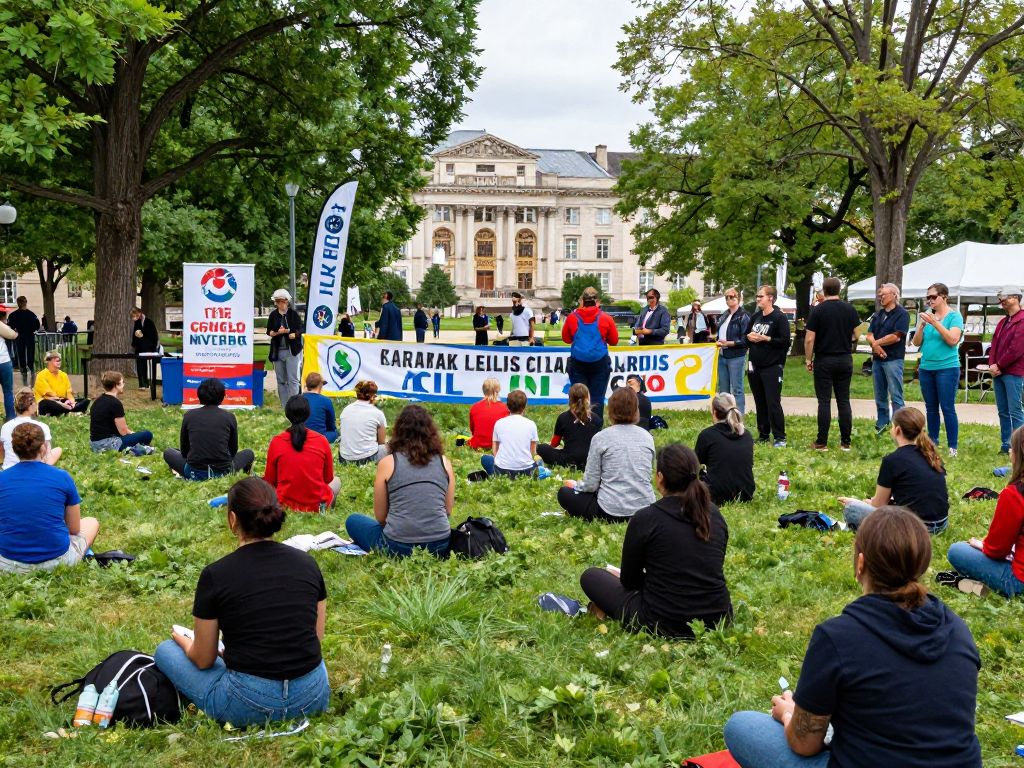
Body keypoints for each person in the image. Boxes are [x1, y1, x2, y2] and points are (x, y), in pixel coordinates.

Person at [724, 506, 982, 768]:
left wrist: (788, 714)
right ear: (922, 566)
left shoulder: (837, 637)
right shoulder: (959, 630)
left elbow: (804, 744)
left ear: (861, 564)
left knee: (741, 726)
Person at [154, 477, 330, 727]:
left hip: (248, 702)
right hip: (313, 696)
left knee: (165, 651)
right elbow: (315, 639)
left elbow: (203, 659)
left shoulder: (216, 574)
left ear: (232, 519)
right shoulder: (308, 564)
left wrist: (183, 641)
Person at [580, 444, 730, 638]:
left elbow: (630, 581)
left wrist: (657, 583)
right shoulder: (714, 515)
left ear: (660, 477)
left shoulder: (646, 518)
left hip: (661, 620)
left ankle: (603, 609)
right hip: (717, 618)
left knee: (591, 576)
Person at [345, 405, 453, 557]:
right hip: (440, 544)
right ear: (431, 432)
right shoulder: (444, 462)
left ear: (398, 432)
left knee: (353, 521)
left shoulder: (387, 463)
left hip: (398, 546)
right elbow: (448, 510)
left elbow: (380, 517)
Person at [0, 423, 99, 574]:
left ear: (14, 449)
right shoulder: (62, 477)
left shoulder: (2, 479)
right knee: (91, 522)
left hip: (7, 563)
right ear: (44, 447)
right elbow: (74, 529)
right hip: (57, 561)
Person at [838, 407, 949, 533]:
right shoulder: (931, 455)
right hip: (942, 523)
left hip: (916, 528)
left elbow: (878, 505)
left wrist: (859, 503)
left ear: (897, 430)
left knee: (852, 508)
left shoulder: (892, 461)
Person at [944, 424, 1024, 597]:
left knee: (957, 551)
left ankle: (972, 585)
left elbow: (997, 550)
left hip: (1019, 581)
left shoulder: (1014, 494)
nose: (1010, 452)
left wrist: (983, 546)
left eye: (1012, 448)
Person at [557, 387, 655, 522]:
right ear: (636, 410)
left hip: (609, 510)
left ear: (610, 410)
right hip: (644, 509)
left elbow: (591, 485)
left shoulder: (601, 437)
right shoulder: (647, 437)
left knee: (564, 493)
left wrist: (576, 486)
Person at [804, 276, 861, 451]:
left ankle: (821, 442)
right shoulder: (849, 309)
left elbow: (809, 339)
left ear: (824, 290)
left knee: (824, 401)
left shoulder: (818, 310)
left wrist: (808, 359)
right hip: (844, 358)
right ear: (839, 289)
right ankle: (846, 442)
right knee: (844, 400)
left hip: (824, 359)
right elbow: (857, 334)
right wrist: (846, 338)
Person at [162, 378, 255, 480]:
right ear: (222, 396)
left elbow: (184, 451)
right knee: (249, 453)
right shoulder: (229, 417)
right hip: (224, 472)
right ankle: (245, 473)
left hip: (194, 472)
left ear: (199, 395)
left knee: (169, 452)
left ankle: (183, 472)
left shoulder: (189, 415)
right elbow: (233, 450)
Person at [912, 282, 963, 457]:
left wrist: (935, 322)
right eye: (927, 297)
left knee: (947, 407)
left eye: (933, 297)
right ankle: (932, 443)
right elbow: (916, 342)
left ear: (944, 297)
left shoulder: (954, 316)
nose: (930, 300)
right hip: (926, 367)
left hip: (947, 368)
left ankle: (953, 447)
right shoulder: (927, 315)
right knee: (931, 408)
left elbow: (953, 340)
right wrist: (921, 326)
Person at [264, 396, 340, 513]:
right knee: (337, 481)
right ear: (308, 414)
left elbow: (270, 480)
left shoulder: (277, 441)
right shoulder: (321, 440)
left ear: (287, 414)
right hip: (316, 504)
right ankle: (327, 507)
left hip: (284, 503)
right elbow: (328, 478)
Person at [561, 286, 618, 420]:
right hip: (599, 363)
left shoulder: (572, 317)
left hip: (578, 363)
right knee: (597, 398)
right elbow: (614, 341)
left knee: (579, 397)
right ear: (597, 301)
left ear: (582, 300)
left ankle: (578, 424)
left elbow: (566, 339)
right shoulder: (606, 318)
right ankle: (596, 425)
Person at [746, 285, 791, 447]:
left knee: (773, 402)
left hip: (772, 366)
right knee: (760, 402)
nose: (758, 299)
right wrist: (749, 337)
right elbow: (746, 336)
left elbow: (785, 341)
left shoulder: (779, 317)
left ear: (770, 298)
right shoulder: (756, 317)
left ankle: (780, 437)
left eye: (761, 296)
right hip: (754, 366)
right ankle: (763, 434)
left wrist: (766, 338)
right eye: (757, 296)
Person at [866, 282, 911, 435]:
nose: (881, 297)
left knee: (895, 394)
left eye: (883, 294)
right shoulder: (878, 314)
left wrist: (876, 344)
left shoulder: (902, 314)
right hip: (878, 360)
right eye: (879, 295)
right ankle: (881, 424)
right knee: (880, 394)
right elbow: (869, 334)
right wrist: (875, 345)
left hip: (893, 360)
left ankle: (899, 427)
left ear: (894, 295)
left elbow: (896, 336)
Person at [695, 393, 755, 505]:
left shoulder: (707, 435)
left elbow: (695, 464)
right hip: (745, 493)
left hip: (715, 494)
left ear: (714, 412)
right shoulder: (746, 435)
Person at [988, 286, 1024, 454]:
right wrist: (992, 364)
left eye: (1005, 298)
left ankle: (1019, 447)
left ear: (1016, 298)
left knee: (1015, 411)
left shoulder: (1022, 320)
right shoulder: (1003, 322)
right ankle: (1005, 445)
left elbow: (1016, 349)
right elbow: (994, 344)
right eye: (1000, 299)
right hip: (999, 372)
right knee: (1003, 411)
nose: (1001, 301)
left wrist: (999, 365)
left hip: (1014, 372)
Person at [536, 383, 601, 471]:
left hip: (568, 460)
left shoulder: (563, 417)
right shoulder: (597, 419)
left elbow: (555, 443)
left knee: (541, 448)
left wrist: (550, 445)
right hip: (589, 461)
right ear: (588, 398)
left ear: (570, 398)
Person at [89, 371, 154, 453]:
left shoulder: (97, 401)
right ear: (116, 385)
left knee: (136, 436)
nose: (124, 384)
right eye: (122, 382)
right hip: (109, 444)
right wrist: (135, 434)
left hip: (94, 444)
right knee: (147, 434)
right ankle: (135, 449)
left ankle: (134, 448)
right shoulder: (115, 403)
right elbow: (123, 432)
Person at [480, 389, 539, 478]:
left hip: (502, 470)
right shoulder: (531, 424)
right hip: (526, 470)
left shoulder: (499, 423)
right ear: (525, 406)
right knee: (539, 462)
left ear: (507, 406)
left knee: (485, 459)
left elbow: (495, 450)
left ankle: (495, 475)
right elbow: (533, 452)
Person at [0, 388, 61, 468]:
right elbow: (47, 455)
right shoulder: (42, 426)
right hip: (36, 467)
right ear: (32, 405)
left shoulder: (5, 427)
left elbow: (2, 450)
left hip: (9, 467)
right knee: (57, 450)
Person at [267, 289, 303, 408]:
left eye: (281, 301)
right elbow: (269, 331)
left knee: (293, 380)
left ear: (287, 302)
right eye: (277, 302)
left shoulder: (293, 314)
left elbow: (300, 329)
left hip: (292, 351)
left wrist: (292, 333)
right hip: (278, 351)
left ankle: (294, 405)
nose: (279, 304)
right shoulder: (273, 315)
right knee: (281, 380)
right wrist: (277, 332)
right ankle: (284, 405)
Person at [715, 287, 749, 413]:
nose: (728, 299)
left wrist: (730, 343)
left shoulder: (744, 316)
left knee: (737, 389)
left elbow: (746, 339)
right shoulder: (724, 315)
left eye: (732, 297)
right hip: (722, 354)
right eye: (726, 297)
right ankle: (724, 415)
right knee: (723, 389)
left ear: (738, 298)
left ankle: (738, 416)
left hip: (736, 356)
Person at [337, 380, 388, 464]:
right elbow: (381, 442)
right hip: (368, 458)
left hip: (344, 458)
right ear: (373, 396)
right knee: (386, 448)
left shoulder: (346, 410)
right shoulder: (378, 413)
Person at [34, 351, 89, 416]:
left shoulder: (64, 375)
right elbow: (49, 394)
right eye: (56, 360)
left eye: (59, 360)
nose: (59, 361)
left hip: (62, 401)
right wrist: (60, 401)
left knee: (83, 400)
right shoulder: (41, 375)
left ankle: (70, 408)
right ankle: (72, 409)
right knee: (48, 403)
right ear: (49, 362)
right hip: (48, 402)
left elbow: (69, 392)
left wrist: (71, 401)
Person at [467, 378, 509, 450]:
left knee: (460, 440)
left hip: (477, 445)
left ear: (483, 390)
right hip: (497, 447)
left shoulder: (474, 407)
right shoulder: (505, 408)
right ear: (498, 390)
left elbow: (473, 430)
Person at [7, 297, 39, 387]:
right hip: (26, 337)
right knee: (26, 355)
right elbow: (37, 326)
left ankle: (27, 375)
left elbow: (10, 326)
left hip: (22, 337)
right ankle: (29, 374)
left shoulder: (14, 315)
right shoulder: (31, 315)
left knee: (24, 355)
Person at [302, 372, 338, 443]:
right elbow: (331, 424)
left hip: (300, 436)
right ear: (320, 385)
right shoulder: (326, 400)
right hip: (319, 438)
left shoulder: (298, 399)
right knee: (336, 433)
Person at [130, 306, 159, 389]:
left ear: (139, 313)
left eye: (135, 315)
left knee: (145, 366)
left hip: (148, 347)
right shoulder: (137, 322)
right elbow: (135, 334)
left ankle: (146, 383)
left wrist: (151, 348)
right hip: (139, 347)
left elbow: (154, 336)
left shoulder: (149, 322)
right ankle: (142, 384)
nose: (134, 318)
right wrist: (134, 344)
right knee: (139, 365)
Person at [0, 313, 16, 421]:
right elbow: (13, 335)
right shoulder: (1, 326)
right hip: (4, 361)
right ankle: (10, 418)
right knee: (8, 392)